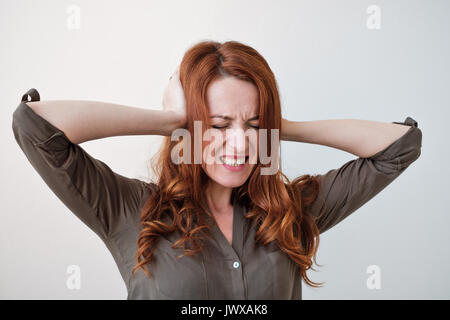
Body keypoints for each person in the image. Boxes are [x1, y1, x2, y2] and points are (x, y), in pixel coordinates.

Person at [12, 40, 422, 300]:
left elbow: (399, 146)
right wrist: (172, 117)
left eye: (254, 127)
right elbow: (34, 125)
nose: (241, 144)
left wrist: (276, 124)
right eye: (219, 125)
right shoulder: (130, 209)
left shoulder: (291, 212)